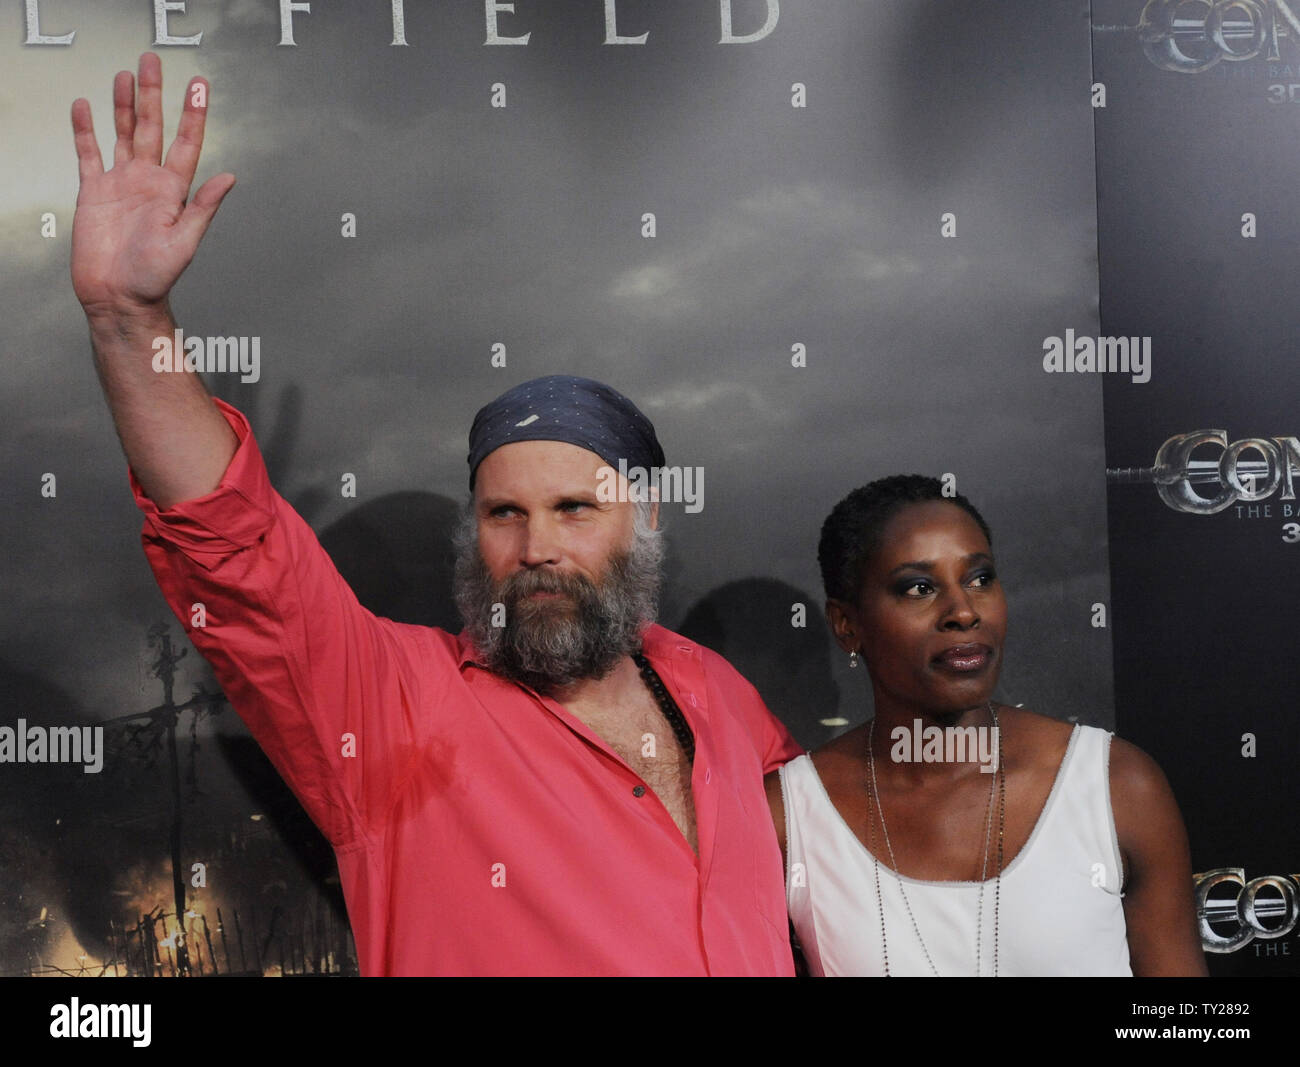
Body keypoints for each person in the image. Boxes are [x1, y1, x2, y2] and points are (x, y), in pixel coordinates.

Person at [71, 53, 801, 976]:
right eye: (505, 513)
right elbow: (238, 555)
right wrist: (130, 322)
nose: (537, 547)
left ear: (645, 517)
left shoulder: (723, 698)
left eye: (575, 507)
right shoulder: (394, 714)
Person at [764, 475, 1207, 976]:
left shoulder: (1116, 785)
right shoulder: (788, 819)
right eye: (919, 587)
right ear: (848, 625)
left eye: (979, 578)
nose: (963, 611)